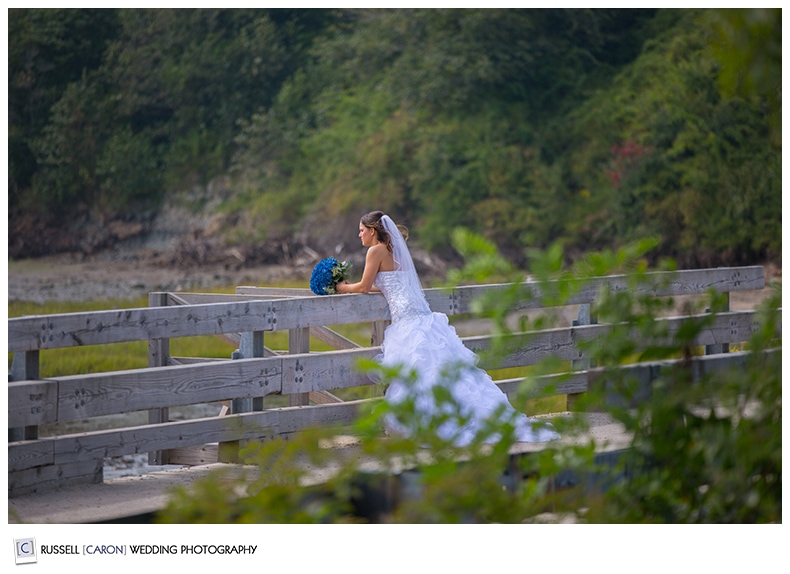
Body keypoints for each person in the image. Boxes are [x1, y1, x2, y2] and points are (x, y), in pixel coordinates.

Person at [336, 211, 560, 446]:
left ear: (372, 231)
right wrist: (354, 286)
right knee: (435, 369)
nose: (359, 234)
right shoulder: (393, 250)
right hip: (421, 315)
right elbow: (384, 286)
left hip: (406, 320)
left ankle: (432, 423)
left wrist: (341, 287)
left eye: (361, 230)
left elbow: (363, 287)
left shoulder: (375, 250)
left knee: (421, 371)